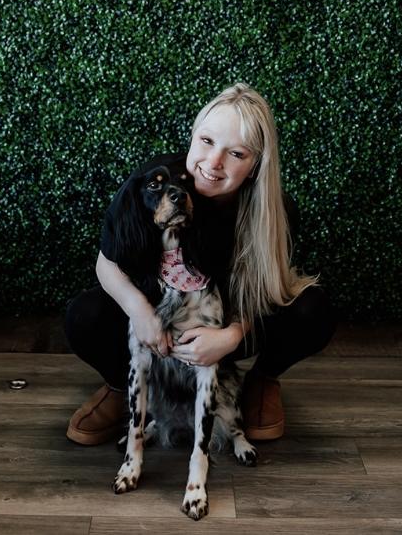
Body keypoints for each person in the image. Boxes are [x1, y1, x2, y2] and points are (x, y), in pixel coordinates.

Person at [64, 82, 337, 445]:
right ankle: (121, 384)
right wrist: (140, 312)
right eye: (206, 142)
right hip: (158, 322)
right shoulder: (154, 181)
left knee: (313, 310)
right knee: (85, 314)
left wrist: (231, 336)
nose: (213, 163)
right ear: (192, 137)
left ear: (256, 165)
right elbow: (106, 264)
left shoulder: (274, 211)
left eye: (236, 153)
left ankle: (261, 381)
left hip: (228, 320)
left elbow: (266, 289)